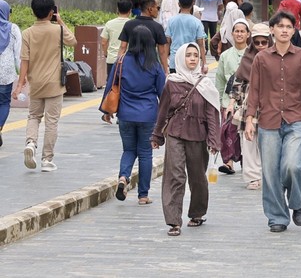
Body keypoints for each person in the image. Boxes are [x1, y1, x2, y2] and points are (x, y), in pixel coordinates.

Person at [245, 11, 301, 233]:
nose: (284, 30)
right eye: (280, 26)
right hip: (268, 120)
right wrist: (249, 119)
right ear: (272, 30)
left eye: (288, 27)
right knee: (270, 172)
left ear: (294, 31)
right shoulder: (261, 59)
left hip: (296, 119)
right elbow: (254, 90)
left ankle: (296, 201)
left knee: (293, 165)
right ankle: (277, 216)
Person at [151, 42, 221, 237]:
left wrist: (214, 140)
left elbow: (212, 115)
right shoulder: (172, 83)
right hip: (175, 134)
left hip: (198, 136)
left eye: (195, 55)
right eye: (188, 55)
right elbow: (163, 111)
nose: (192, 58)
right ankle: (174, 221)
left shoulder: (205, 84)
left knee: (198, 177)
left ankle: (197, 213)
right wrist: (157, 135)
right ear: (181, 58)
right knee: (175, 176)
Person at [12, 0, 77, 171]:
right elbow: (73, 41)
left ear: (33, 12)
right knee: (51, 122)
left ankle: (30, 143)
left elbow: (24, 61)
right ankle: (47, 160)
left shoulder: (27, 33)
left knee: (34, 116)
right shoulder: (58, 30)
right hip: (54, 83)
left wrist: (19, 85)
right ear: (51, 12)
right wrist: (60, 21)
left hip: (36, 83)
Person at [102, 26, 165, 205]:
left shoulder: (121, 61)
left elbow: (110, 86)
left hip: (125, 114)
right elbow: (163, 92)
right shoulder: (154, 64)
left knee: (129, 150)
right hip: (148, 115)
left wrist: (106, 111)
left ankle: (123, 177)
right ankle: (143, 195)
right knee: (145, 153)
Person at [229, 23, 273, 190]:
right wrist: (232, 104)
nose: (261, 45)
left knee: (269, 143)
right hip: (249, 106)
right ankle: (253, 177)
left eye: (264, 42)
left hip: (270, 106)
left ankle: (267, 175)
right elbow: (238, 83)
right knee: (248, 143)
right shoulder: (247, 59)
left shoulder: (276, 59)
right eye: (257, 42)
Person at [215, 19, 250, 176]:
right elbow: (220, 80)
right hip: (227, 101)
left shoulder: (253, 55)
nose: (239, 34)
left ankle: (246, 161)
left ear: (248, 34)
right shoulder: (225, 55)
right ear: (232, 33)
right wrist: (219, 101)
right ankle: (228, 162)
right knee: (227, 131)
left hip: (246, 100)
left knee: (243, 131)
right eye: (237, 31)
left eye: (243, 31)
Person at [118, 0, 169, 73]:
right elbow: (162, 52)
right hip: (150, 66)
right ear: (150, 9)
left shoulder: (128, 24)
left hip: (131, 66)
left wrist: (118, 65)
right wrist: (165, 70)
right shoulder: (157, 27)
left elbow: (123, 47)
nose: (158, 11)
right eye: (157, 8)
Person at [165, 0, 207, 74]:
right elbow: (201, 44)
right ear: (193, 3)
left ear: (178, 4)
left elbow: (167, 42)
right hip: (191, 61)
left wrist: (165, 62)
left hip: (175, 61)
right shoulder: (197, 22)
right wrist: (204, 63)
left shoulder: (171, 21)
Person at [0, 1, 22, 148]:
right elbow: (18, 54)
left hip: (5, 72)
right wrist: (22, 76)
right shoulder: (13, 28)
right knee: (3, 102)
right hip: (5, 73)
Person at [101, 0, 132, 77]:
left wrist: (106, 54)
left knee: (111, 82)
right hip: (128, 60)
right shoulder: (132, 24)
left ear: (118, 10)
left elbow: (103, 42)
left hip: (112, 59)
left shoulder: (109, 23)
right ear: (130, 11)